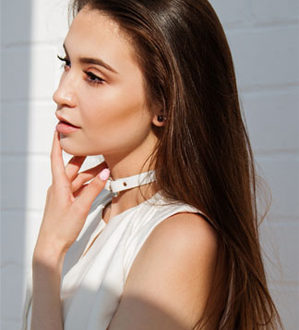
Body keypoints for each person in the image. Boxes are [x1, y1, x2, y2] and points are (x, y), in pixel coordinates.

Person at [21, 0, 283, 329]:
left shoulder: (181, 240)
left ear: (164, 103)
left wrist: (48, 251)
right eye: (66, 62)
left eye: (94, 76)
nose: (62, 93)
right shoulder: (86, 218)